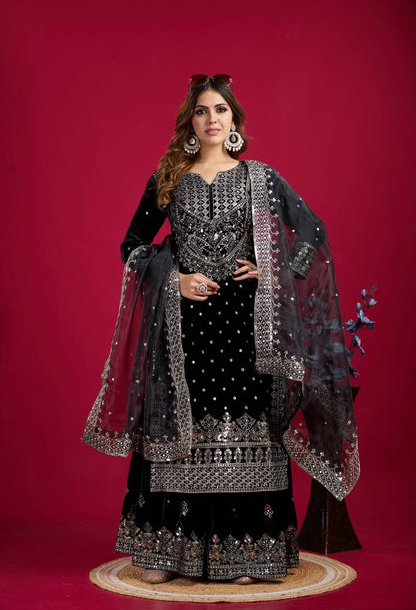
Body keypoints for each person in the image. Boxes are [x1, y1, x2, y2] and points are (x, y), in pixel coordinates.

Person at [82, 74, 359, 584]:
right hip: (182, 328)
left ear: (235, 120)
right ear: (190, 122)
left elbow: (312, 233)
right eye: (203, 111)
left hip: (246, 328)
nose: (212, 119)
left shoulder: (260, 177)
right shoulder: (169, 179)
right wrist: (176, 278)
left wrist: (273, 270)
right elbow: (132, 247)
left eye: (221, 110)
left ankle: (248, 555)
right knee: (180, 430)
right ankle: (167, 554)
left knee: (249, 426)